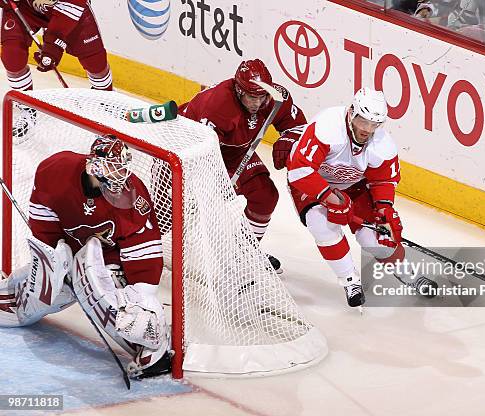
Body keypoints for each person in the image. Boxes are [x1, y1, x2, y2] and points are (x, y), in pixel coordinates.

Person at [0, 135, 171, 379]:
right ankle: (14, 291)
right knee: (50, 288)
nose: (118, 176)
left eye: (121, 168)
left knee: (112, 296)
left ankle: (154, 341)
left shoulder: (133, 196)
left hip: (111, 259)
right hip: (69, 248)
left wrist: (142, 296)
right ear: (94, 165)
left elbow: (144, 249)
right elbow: (43, 217)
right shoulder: (57, 170)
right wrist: (54, 255)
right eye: (111, 167)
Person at [180, 59, 307, 273]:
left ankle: (245, 252)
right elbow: (198, 148)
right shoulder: (218, 106)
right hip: (188, 147)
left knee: (265, 196)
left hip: (235, 151)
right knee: (173, 214)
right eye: (251, 97)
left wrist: (287, 140)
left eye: (262, 96)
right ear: (239, 90)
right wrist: (214, 180)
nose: (257, 103)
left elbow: (299, 127)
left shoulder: (277, 98)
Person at [286, 87, 407, 307]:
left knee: (374, 238)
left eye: (374, 124)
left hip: (353, 185)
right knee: (321, 225)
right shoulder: (327, 127)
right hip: (313, 182)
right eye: (363, 121)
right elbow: (299, 170)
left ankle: (403, 271)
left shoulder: (382, 142)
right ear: (352, 112)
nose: (367, 130)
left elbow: (383, 181)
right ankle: (350, 280)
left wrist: (384, 210)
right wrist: (330, 198)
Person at [0, 0, 113, 92]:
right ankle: (26, 108)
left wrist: (53, 46)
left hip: (69, 7)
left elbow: (72, 5)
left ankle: (106, 98)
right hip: (25, 7)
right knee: (13, 56)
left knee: (96, 63)